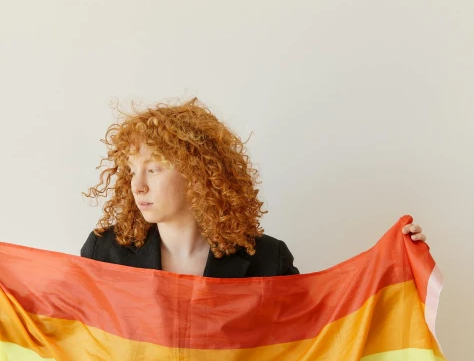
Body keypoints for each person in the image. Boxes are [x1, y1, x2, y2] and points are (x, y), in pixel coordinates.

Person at [80, 97, 427, 276]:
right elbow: (66, 341)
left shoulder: (266, 261)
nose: (136, 186)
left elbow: (319, 339)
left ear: (197, 173)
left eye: (153, 169)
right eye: (131, 170)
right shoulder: (104, 253)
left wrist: (396, 265)